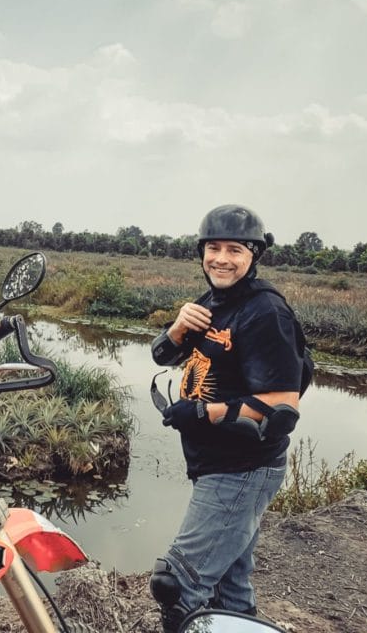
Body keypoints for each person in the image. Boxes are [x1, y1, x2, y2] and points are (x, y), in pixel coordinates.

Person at [149, 204, 303, 632]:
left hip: (241, 469)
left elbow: (282, 408)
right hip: (216, 464)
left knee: (176, 584)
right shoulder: (212, 302)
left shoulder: (265, 312)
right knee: (229, 587)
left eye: (235, 250)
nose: (221, 258)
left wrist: (201, 412)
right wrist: (178, 328)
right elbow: (162, 354)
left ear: (254, 254)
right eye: (213, 248)